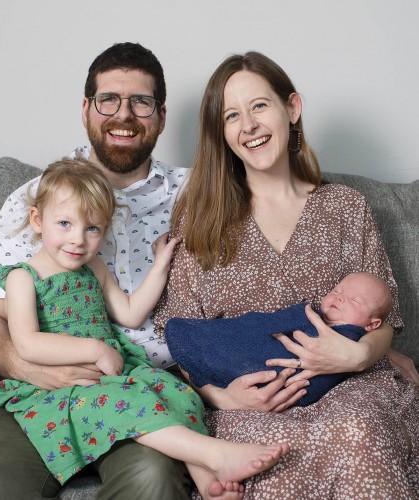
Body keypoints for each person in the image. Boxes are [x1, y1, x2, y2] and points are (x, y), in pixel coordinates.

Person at [153, 51, 419, 498]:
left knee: (358, 434)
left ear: (291, 108)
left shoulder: (345, 208)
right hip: (246, 405)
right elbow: (177, 335)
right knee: (269, 456)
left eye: (259, 106)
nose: (249, 125)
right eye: (232, 115)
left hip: (350, 390)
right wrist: (221, 397)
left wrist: (356, 357)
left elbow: (384, 320)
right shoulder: (199, 222)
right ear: (222, 134)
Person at [0, 42, 192, 500]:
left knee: (151, 479)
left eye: (141, 102)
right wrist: (26, 366)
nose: (123, 114)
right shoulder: (32, 201)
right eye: (108, 99)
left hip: (136, 385)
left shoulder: (198, 197)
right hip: (33, 379)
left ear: (162, 116)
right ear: (86, 109)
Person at [0, 158, 289, 498]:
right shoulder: (22, 277)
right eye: (64, 223)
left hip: (113, 370)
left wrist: (161, 264)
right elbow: (27, 344)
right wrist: (95, 349)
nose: (78, 240)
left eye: (92, 228)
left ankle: (207, 481)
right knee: (128, 404)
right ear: (37, 220)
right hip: (62, 384)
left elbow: (130, 314)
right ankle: (217, 455)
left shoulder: (94, 267)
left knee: (176, 393)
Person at [165, 272, 392, 406]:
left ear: (371, 325)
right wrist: (222, 400)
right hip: (232, 396)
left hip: (320, 397)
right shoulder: (311, 316)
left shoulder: (348, 206)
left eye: (354, 300)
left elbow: (389, 328)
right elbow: (259, 325)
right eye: (336, 290)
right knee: (248, 328)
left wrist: (361, 354)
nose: (339, 298)